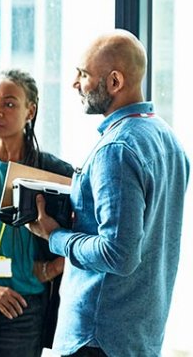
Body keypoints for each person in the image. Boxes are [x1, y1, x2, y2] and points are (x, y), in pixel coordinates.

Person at [27, 29, 190, 357]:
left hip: (98, 338)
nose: (75, 83)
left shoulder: (116, 149)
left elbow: (119, 254)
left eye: (84, 74)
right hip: (140, 336)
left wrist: (55, 236)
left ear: (115, 82)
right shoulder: (169, 140)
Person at [0, 69, 74, 356]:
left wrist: (52, 268)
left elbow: (87, 231)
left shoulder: (55, 172)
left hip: (26, 306)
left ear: (31, 111)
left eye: (9, 103)